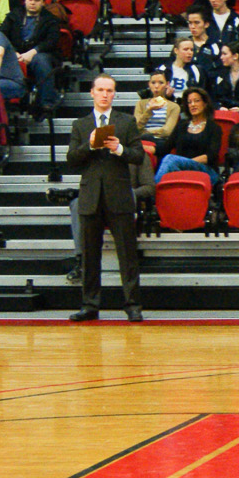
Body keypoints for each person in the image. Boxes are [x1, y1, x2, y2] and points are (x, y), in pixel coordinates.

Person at [67, 74, 145, 322]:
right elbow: (71, 160)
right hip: (91, 196)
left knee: (127, 254)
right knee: (90, 255)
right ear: (92, 92)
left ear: (114, 94)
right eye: (100, 90)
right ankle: (90, 305)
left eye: (109, 90)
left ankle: (132, 305)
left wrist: (118, 148)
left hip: (119, 195)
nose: (104, 94)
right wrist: (89, 145)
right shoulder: (80, 124)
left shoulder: (127, 121)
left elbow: (139, 156)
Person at [11, 0, 66, 113]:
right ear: (25, 0)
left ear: (43, 2)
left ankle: (47, 102)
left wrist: (32, 52)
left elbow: (51, 41)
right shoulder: (13, 16)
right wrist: (14, 53)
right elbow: (3, 36)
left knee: (41, 60)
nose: (32, 3)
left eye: (36, 0)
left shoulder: (51, 19)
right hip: (16, 53)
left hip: (42, 53)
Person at [156, 88, 221, 185]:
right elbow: (165, 147)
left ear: (205, 104)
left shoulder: (214, 127)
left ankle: (153, 190)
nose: (192, 105)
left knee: (170, 159)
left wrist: (184, 163)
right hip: (180, 167)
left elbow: (211, 156)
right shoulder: (181, 125)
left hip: (206, 171)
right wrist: (145, 147)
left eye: (197, 101)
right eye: (189, 102)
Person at [134, 69, 180, 142]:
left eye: (161, 83)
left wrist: (146, 133)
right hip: (142, 140)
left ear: (167, 84)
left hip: (162, 141)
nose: (156, 86)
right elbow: (136, 127)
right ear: (149, 84)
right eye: (153, 83)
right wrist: (149, 110)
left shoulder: (174, 107)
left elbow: (167, 131)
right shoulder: (140, 104)